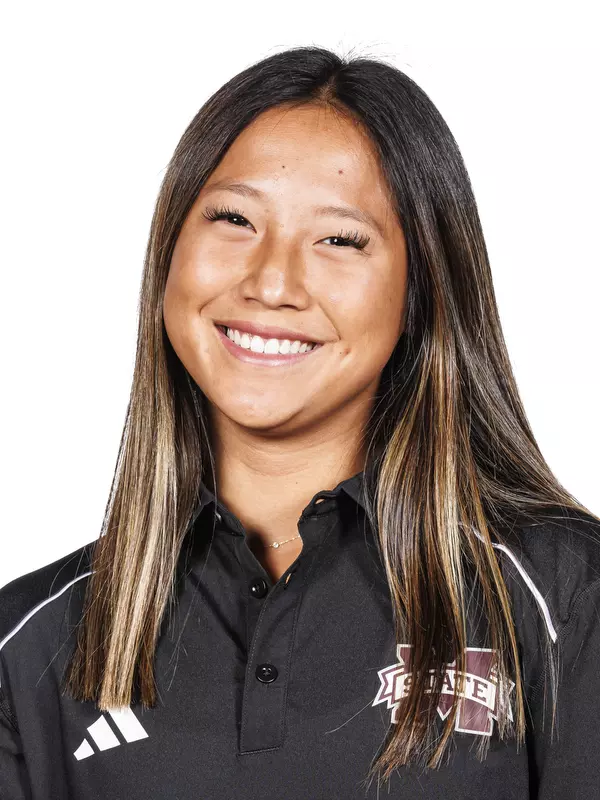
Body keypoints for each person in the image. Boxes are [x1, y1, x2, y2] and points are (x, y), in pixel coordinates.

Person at [1, 45, 599, 800]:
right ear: (169, 256)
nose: (273, 282)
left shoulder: (565, 600)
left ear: (422, 291)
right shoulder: (29, 645)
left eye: (340, 240)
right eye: (234, 219)